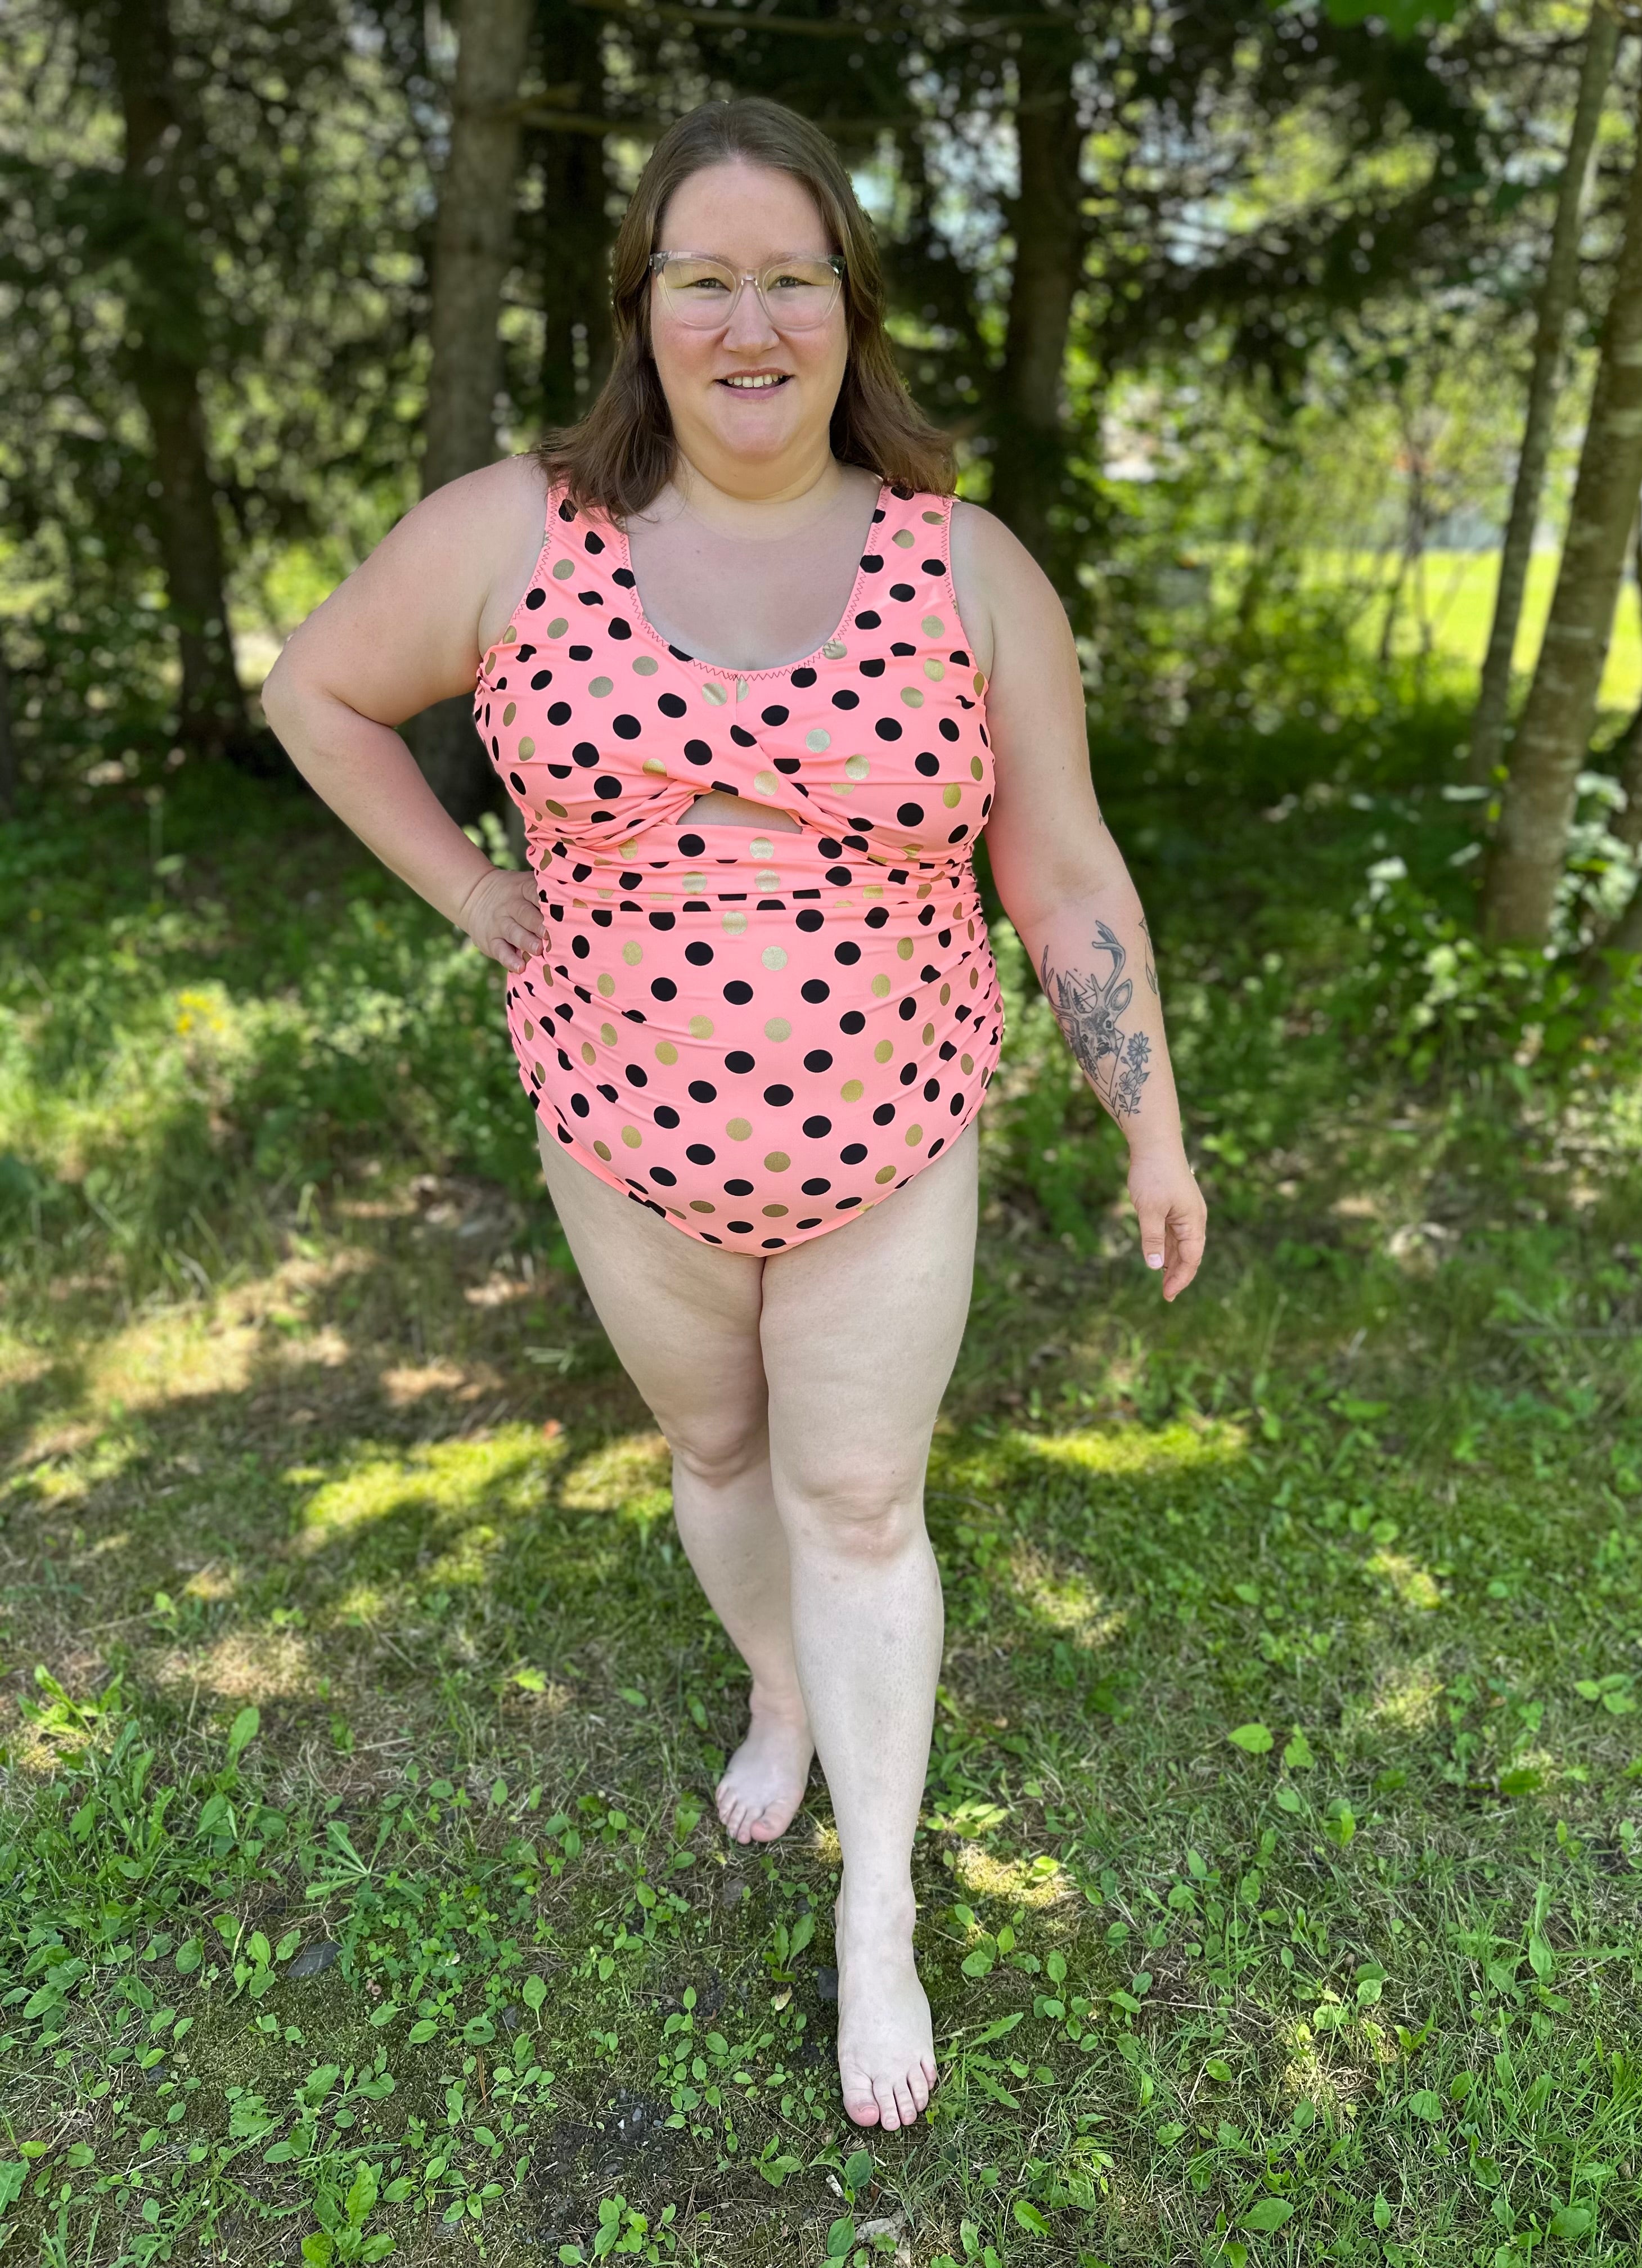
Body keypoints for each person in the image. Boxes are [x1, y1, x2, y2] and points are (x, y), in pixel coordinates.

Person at [261, 94, 1205, 2135]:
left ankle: (879, 1904)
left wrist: (1154, 1125)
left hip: (889, 1140)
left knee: (858, 1500)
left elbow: (1066, 874)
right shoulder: (514, 533)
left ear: (850, 311)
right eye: (709, 277)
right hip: (621, 1133)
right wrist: (470, 891)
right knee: (712, 1447)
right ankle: (779, 1691)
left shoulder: (966, 567)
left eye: (794, 276)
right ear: (646, 311)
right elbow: (315, 690)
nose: (751, 319)